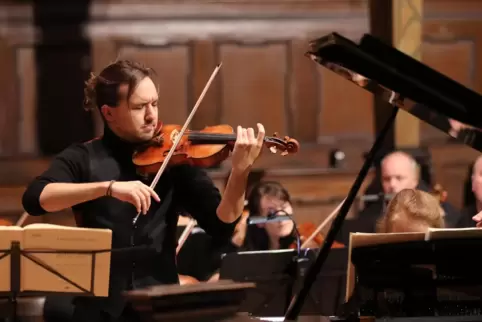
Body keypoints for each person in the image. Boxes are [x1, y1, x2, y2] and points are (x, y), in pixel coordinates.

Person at [21, 60, 266, 322]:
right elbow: (36, 198)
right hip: (99, 310)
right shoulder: (83, 158)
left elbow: (222, 224)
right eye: (139, 107)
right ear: (109, 113)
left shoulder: (173, 158)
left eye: (154, 104)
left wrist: (240, 172)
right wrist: (108, 188)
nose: (152, 116)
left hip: (160, 305)